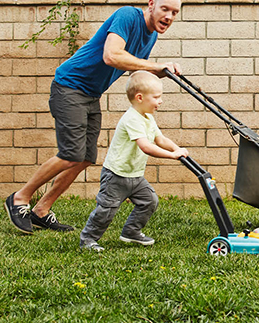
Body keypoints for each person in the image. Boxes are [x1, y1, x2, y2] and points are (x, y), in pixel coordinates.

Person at [5, 0, 183, 234]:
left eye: (175, 12)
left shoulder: (150, 36)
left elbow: (134, 69)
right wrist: (154, 65)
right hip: (69, 86)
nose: (169, 16)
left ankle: (41, 210)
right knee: (70, 154)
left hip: (90, 94)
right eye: (165, 9)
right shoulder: (128, 16)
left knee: (86, 157)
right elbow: (112, 56)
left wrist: (160, 73)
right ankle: (19, 199)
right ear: (151, 5)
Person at [79, 71, 188, 251]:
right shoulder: (131, 119)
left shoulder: (148, 118)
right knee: (106, 210)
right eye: (157, 97)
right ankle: (88, 239)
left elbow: (160, 139)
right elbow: (146, 146)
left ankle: (131, 232)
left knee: (149, 201)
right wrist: (171, 156)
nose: (160, 101)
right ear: (140, 97)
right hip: (116, 174)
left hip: (135, 175)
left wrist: (177, 149)